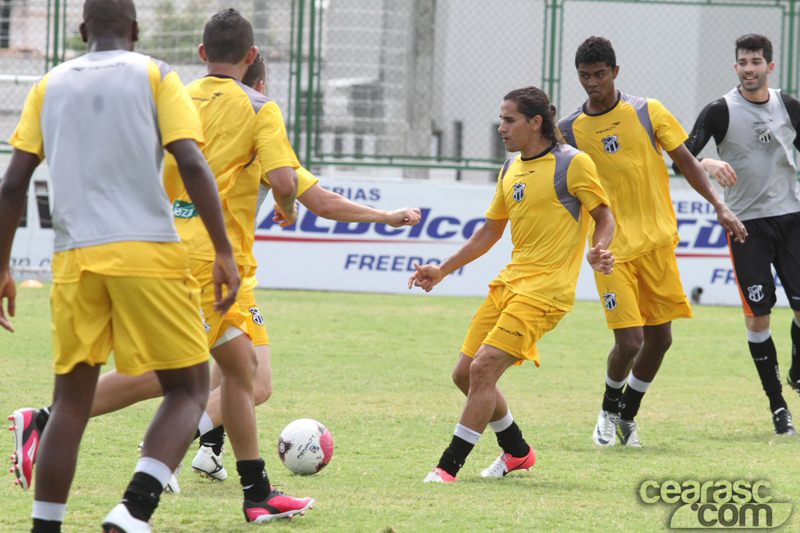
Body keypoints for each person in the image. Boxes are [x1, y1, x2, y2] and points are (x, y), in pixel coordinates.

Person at [8, 52, 422, 493]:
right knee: (168, 374)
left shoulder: (178, 98)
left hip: (201, 261)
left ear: (205, 54)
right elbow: (314, 199)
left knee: (250, 377)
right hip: (207, 265)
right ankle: (54, 420)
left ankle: (243, 481)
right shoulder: (257, 116)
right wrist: (383, 216)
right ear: (258, 84)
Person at [0, 0, 241, 531]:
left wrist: (2, 267)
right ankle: (134, 508)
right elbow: (191, 160)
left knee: (69, 404)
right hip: (148, 251)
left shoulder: (49, 84)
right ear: (135, 29)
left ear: (82, 28)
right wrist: (223, 251)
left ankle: (45, 527)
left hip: (74, 260)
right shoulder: (156, 75)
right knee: (188, 387)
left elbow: (13, 184)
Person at [410, 86, 615, 482]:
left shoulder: (573, 164)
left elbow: (604, 216)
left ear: (536, 122)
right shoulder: (510, 169)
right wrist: (443, 269)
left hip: (546, 291)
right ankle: (517, 452)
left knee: (484, 368)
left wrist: (598, 249)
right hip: (510, 284)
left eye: (509, 120)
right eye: (501, 119)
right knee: (464, 373)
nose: (500, 127)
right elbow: (489, 232)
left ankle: (447, 467)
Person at [558, 36, 748, 447]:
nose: (592, 83)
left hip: (657, 244)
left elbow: (687, 163)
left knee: (661, 340)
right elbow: (562, 187)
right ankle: (607, 415)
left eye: (599, 75)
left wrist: (719, 204)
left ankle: (628, 416)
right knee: (630, 340)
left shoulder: (647, 111)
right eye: (585, 76)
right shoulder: (569, 130)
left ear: (615, 72)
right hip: (611, 251)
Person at [679, 34, 800, 436]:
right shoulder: (720, 110)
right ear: (736, 68)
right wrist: (709, 161)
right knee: (758, 320)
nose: (749, 68)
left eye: (756, 62)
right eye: (743, 62)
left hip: (792, 219)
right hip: (746, 226)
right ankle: (778, 407)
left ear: (770, 66)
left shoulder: (789, 106)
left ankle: (797, 364)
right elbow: (682, 155)